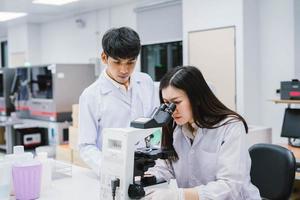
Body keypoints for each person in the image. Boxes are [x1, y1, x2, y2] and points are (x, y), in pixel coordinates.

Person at [144, 66, 261, 200]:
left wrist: (179, 195)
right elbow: (166, 167)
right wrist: (147, 177)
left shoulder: (230, 127)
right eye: (166, 104)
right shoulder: (176, 128)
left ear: (197, 98)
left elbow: (230, 186)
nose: (172, 110)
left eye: (176, 102)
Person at [78, 27, 157, 175]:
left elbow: (152, 125)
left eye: (130, 62)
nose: (124, 70)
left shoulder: (145, 82)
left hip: (148, 168)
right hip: (112, 172)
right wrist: (111, 169)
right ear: (104, 57)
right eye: (117, 62)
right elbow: (86, 145)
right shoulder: (91, 95)